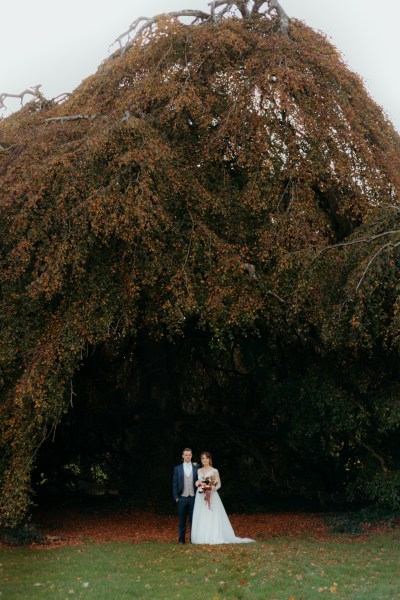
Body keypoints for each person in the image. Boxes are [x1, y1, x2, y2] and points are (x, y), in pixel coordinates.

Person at [191, 451, 254, 544]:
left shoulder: (214, 470)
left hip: (212, 495)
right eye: (203, 458)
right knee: (201, 514)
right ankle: (201, 537)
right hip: (200, 496)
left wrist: (211, 489)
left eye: (206, 458)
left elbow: (219, 484)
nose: (205, 460)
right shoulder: (199, 470)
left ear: (209, 459)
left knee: (212, 514)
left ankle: (213, 536)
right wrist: (198, 484)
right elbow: (198, 481)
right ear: (201, 460)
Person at [172, 447, 199, 544]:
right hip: (182, 498)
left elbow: (201, 481)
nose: (188, 456)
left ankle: (193, 539)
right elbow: (174, 484)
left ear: (191, 456)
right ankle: (181, 540)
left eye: (189, 455)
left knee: (193, 520)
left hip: (193, 498)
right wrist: (176, 498)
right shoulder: (177, 468)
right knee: (182, 520)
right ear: (183, 456)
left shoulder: (197, 467)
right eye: (186, 455)